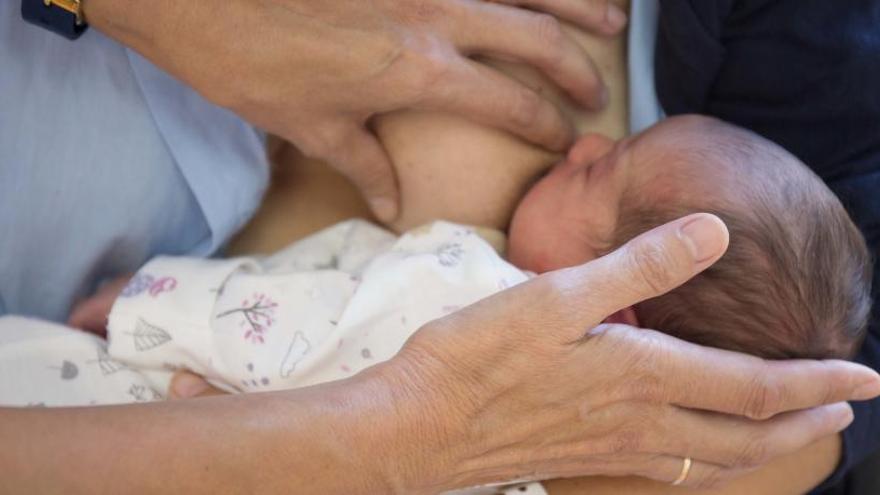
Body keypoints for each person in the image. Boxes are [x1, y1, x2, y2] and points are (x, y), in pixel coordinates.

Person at [2, 214, 878, 493]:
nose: (582, 144)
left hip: (98, 395)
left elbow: (277, 314)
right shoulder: (541, 459)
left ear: (619, 293)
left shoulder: (463, 284)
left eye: (604, 170)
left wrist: (147, 302)